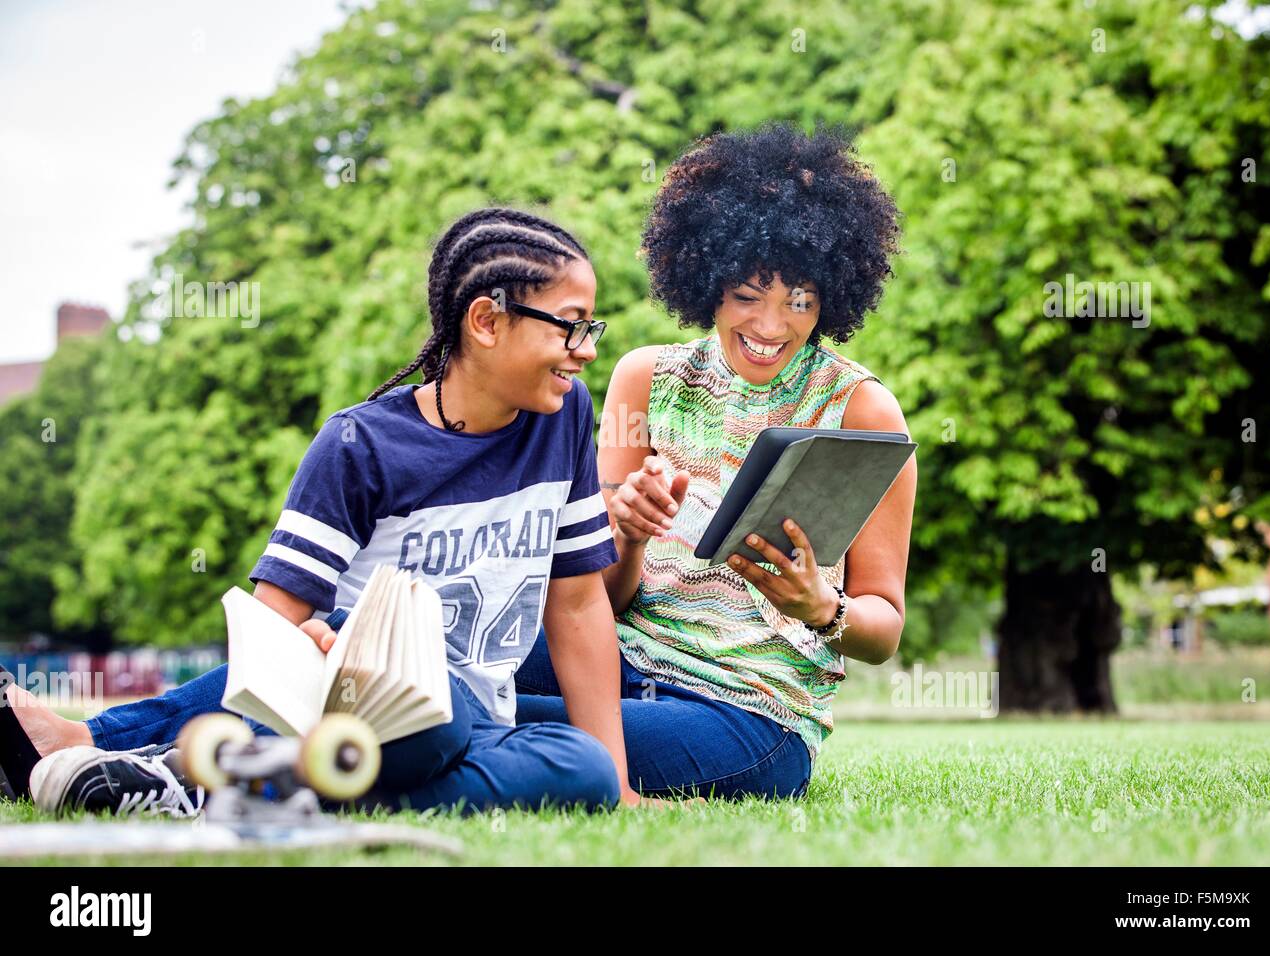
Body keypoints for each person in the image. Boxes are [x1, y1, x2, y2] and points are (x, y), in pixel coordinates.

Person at [0, 207, 641, 817]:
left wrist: (618, 782)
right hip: (364, 710)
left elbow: (580, 603)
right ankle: (187, 763)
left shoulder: (563, 419)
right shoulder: (360, 444)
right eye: (570, 324)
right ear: (486, 321)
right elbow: (273, 627)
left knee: (580, 768)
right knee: (434, 710)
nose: (585, 348)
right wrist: (314, 651)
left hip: (475, 725)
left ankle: (237, 788)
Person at [514, 123, 916, 800]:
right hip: (617, 662)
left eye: (800, 301)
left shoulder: (863, 411)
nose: (770, 325)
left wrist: (824, 608)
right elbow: (597, 599)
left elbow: (884, 631)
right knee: (456, 653)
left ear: (832, 298)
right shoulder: (645, 380)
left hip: (745, 717)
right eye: (748, 294)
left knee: (480, 708)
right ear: (707, 280)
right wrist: (630, 533)